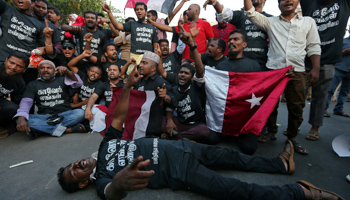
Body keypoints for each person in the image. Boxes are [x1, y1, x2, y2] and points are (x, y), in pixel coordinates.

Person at [57, 65, 344, 200]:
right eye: (75, 172)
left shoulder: (105, 147)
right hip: (180, 172)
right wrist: (120, 181)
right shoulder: (103, 180)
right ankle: (300, 193)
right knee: (236, 189)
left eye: (72, 165)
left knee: (236, 160)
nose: (77, 165)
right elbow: (112, 192)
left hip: (184, 147)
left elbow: (118, 117)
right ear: (82, 184)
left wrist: (129, 87)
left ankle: (280, 164)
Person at [243, 0, 321, 155]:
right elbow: (250, 13)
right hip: (274, 71)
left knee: (297, 107)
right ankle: (271, 132)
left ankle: (292, 138)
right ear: (278, 4)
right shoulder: (270, 22)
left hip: (297, 71)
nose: (288, 1)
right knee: (270, 105)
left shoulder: (308, 22)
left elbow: (313, 45)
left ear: (298, 2)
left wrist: (316, 68)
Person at [299, 0, 350, 141]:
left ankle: (315, 127)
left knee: (320, 96)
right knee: (297, 94)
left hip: (328, 60)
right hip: (305, 58)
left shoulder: (343, 4)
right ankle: (294, 124)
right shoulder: (310, 4)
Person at [15, 60, 86, 139]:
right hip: (45, 117)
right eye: (42, 68)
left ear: (55, 70)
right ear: (39, 71)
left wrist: (68, 72)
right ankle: (67, 130)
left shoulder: (62, 80)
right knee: (20, 120)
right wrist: (21, 116)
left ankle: (42, 130)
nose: (45, 70)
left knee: (80, 113)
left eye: (49, 68)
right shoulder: (33, 84)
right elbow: (26, 102)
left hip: (65, 115)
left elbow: (78, 84)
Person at [206, 0, 272, 71]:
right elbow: (225, 14)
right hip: (239, 65)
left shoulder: (270, 19)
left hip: (261, 66)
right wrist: (215, 3)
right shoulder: (241, 15)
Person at [101, 1, 159, 71]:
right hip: (134, 56)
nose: (139, 11)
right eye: (137, 10)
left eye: (141, 9)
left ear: (146, 12)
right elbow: (117, 26)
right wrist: (109, 12)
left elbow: (155, 43)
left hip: (147, 57)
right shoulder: (132, 24)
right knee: (132, 77)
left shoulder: (153, 27)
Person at [147, 4, 214, 60]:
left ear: (196, 12)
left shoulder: (205, 24)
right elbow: (168, 28)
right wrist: (152, 22)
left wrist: (206, 54)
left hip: (200, 60)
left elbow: (212, 40)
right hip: (185, 61)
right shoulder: (183, 26)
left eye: (189, 9)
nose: (187, 12)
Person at [0, 0, 45, 65]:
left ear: (32, 3)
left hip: (23, 66)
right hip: (2, 60)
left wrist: (43, 49)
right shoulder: (7, 8)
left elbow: (44, 46)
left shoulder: (39, 25)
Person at [0, 53, 29, 138]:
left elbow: (16, 103)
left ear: (25, 69)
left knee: (12, 108)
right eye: (11, 63)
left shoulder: (20, 83)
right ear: (6, 61)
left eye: (19, 66)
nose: (13, 67)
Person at [324, 27, 350, 120]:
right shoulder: (342, 41)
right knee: (330, 89)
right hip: (339, 68)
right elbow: (334, 54)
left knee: (344, 92)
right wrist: (343, 52)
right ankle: (324, 110)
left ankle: (339, 109)